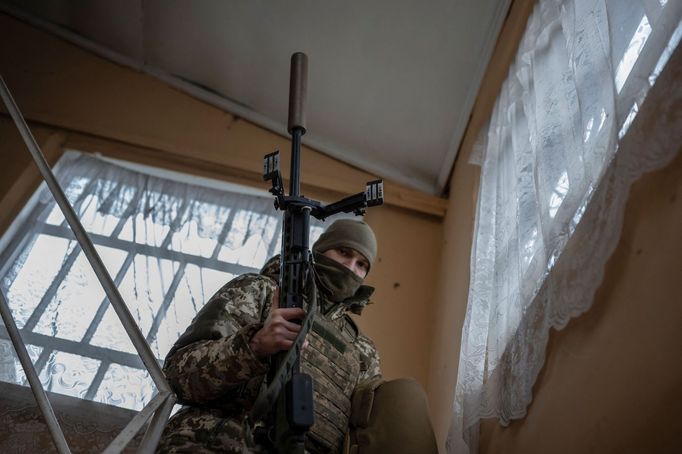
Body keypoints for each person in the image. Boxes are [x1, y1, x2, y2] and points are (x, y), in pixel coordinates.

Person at [157, 218, 382, 453]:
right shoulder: (259, 291)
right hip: (215, 442)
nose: (350, 267)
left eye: (361, 265)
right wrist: (253, 346)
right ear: (319, 250)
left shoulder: (362, 351)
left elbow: (362, 436)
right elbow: (177, 376)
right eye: (344, 252)